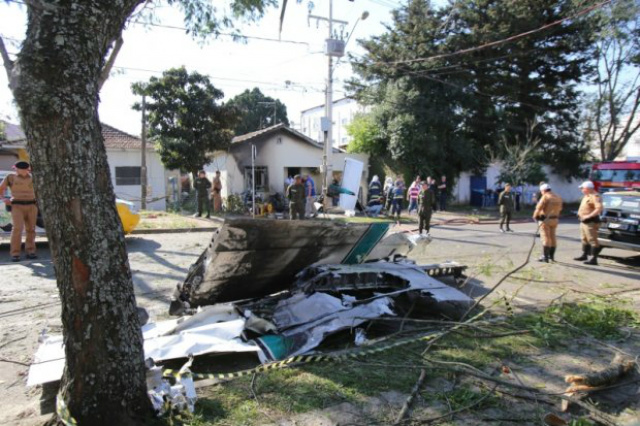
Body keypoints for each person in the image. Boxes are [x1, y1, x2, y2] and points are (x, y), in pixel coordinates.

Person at [0, 160, 38, 262]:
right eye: (15, 168)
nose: (15, 170)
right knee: (17, 229)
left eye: (17, 168)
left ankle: (31, 251)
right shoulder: (10, 177)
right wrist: (4, 199)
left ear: (25, 170)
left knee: (31, 229)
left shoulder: (33, 178)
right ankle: (15, 253)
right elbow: (1, 188)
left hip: (31, 205)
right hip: (17, 205)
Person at [574, 181, 604, 265]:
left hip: (591, 222)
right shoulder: (587, 196)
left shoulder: (595, 196)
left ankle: (594, 259)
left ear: (587, 188)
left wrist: (588, 216)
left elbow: (599, 208)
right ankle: (584, 255)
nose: (581, 190)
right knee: (584, 239)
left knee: (592, 239)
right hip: (583, 221)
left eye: (582, 188)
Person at [532, 183, 563, 263]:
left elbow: (538, 208)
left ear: (543, 190)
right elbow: (560, 208)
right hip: (555, 219)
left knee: (545, 237)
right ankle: (551, 256)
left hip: (545, 220)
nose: (541, 192)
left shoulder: (545, 197)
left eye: (541, 191)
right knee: (553, 237)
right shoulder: (558, 197)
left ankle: (545, 257)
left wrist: (535, 216)